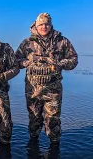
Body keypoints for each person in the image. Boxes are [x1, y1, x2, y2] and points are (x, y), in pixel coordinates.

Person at [15, 13, 78, 145]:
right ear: (36, 26)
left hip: (53, 90)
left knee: (53, 119)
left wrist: (60, 64)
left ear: (50, 25)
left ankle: (54, 146)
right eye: (41, 24)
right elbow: (16, 61)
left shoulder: (62, 41)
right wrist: (28, 62)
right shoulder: (27, 42)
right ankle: (33, 145)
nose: (44, 27)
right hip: (33, 90)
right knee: (34, 118)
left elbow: (74, 59)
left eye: (46, 24)